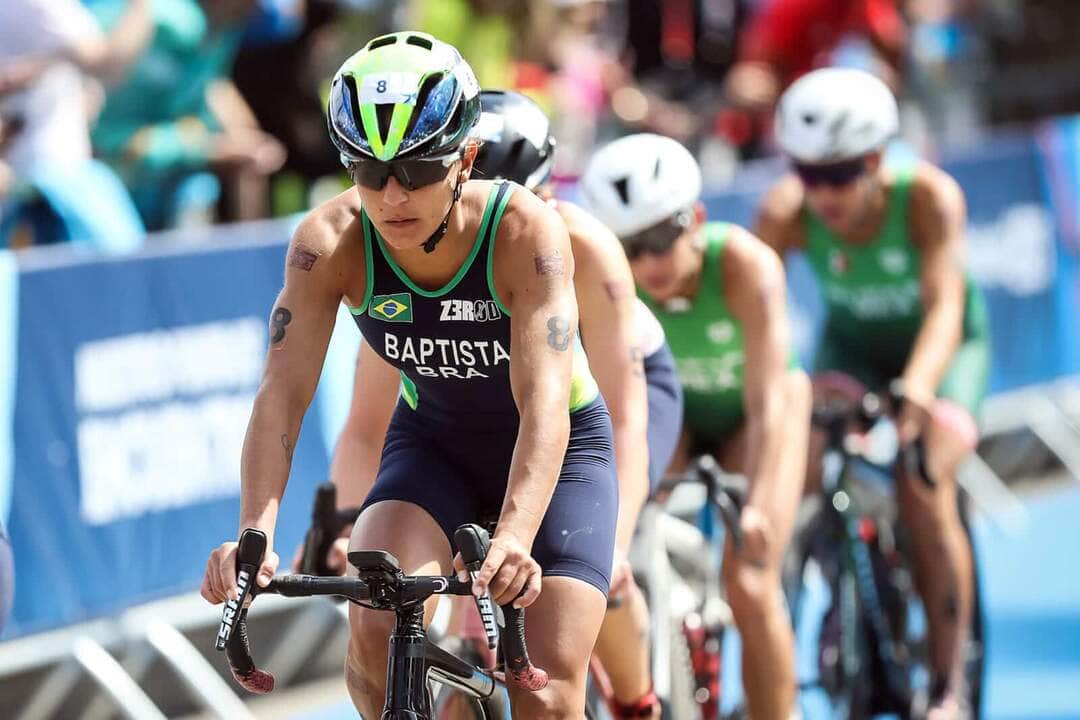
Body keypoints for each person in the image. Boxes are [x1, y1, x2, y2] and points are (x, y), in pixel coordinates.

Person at [200, 32, 617, 718]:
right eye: (368, 171)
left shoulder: (525, 232)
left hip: (557, 452)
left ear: (467, 160)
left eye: (418, 170)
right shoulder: (327, 242)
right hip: (435, 446)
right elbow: (283, 394)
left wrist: (514, 536)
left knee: (547, 686)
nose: (392, 195)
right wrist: (255, 534)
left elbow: (545, 403)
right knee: (373, 623)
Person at [315, 89, 682, 718]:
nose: (490, 222)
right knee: (463, 617)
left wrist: (613, 544)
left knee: (600, 581)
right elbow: (367, 424)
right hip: (472, 423)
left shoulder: (579, 247)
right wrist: (351, 521)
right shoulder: (415, 252)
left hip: (599, 400)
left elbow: (623, 415)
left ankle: (636, 699)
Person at [756, 67, 989, 719]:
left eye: (839, 174)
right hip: (850, 352)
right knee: (790, 471)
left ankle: (947, 686)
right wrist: (799, 379)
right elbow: (757, 318)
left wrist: (917, 386)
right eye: (807, 174)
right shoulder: (784, 211)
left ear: (878, 158)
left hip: (943, 353)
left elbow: (945, 309)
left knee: (922, 479)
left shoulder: (928, 198)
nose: (822, 194)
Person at [581, 133, 811, 720]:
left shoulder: (745, 266)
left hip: (754, 417)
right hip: (676, 421)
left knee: (751, 582)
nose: (650, 263)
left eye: (662, 238)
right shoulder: (605, 287)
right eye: (629, 248)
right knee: (620, 551)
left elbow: (767, 403)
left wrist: (756, 503)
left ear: (698, 220)